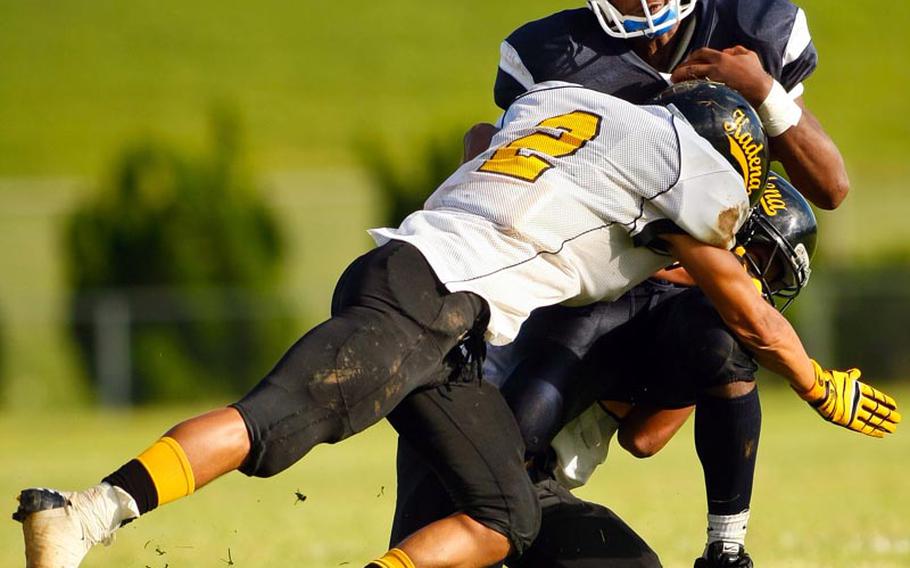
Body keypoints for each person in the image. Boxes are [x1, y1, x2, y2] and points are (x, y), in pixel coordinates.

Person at [14, 81, 899, 568]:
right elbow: (739, 303)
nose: (732, 226)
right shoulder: (692, 168)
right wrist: (819, 385)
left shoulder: (565, 103)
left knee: (502, 515)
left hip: (453, 327)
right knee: (274, 419)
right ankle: (88, 512)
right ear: (723, 162)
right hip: (427, 293)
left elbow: (488, 146)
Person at [460, 1, 851, 563]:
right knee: (513, 442)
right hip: (596, 280)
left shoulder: (755, 24)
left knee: (722, 339)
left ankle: (727, 549)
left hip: (693, 284)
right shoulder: (550, 51)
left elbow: (831, 187)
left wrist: (763, 91)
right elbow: (490, 147)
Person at [388, 173, 818, 568]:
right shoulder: (620, 268)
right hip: (471, 450)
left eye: (773, 277)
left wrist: (700, 363)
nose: (760, 286)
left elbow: (644, 439)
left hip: (530, 481)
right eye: (760, 259)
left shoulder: (686, 320)